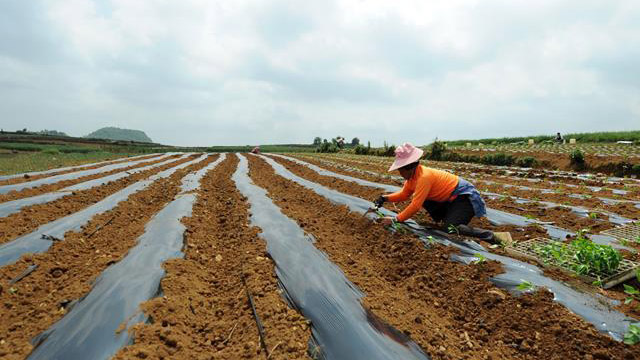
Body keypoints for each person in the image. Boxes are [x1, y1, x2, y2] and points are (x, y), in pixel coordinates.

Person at [375, 143, 500, 242]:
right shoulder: (412, 177)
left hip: (464, 198)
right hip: (449, 200)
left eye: (400, 170)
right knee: (426, 200)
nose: (400, 173)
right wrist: (384, 198)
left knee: (451, 228)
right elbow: (404, 194)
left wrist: (395, 219)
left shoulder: (424, 177)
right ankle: (448, 219)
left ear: (410, 167)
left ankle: (489, 236)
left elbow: (415, 206)